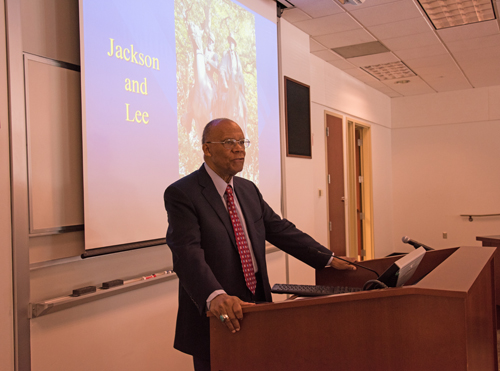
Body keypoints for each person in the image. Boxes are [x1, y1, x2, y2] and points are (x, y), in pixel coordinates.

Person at [164, 118, 356, 371]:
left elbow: (279, 229)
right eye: (229, 142)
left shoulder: (247, 189)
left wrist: (328, 258)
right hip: (219, 309)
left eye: (242, 142)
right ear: (207, 149)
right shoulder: (183, 193)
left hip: (258, 300)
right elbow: (186, 252)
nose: (240, 149)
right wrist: (215, 295)